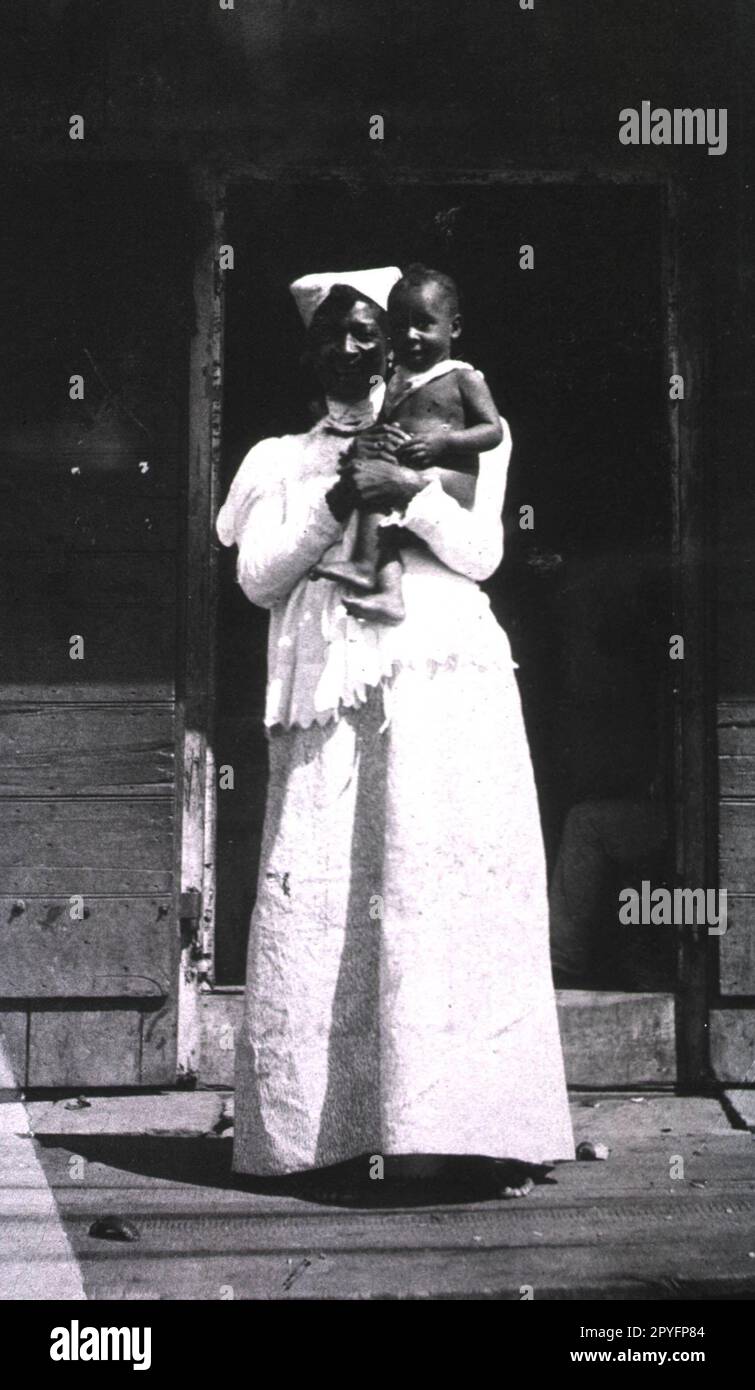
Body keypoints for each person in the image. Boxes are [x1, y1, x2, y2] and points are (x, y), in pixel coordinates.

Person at [216, 265, 574, 1198]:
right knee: (332, 904)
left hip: (439, 684)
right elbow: (258, 577)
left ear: (397, 341)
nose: (349, 347)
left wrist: (403, 486)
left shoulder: (452, 420)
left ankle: (471, 1132)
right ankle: (325, 1137)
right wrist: (341, 493)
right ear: (306, 350)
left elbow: (483, 553)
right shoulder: (278, 458)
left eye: (366, 332)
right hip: (328, 699)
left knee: (443, 894)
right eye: (330, 333)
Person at [312, 265, 503, 624]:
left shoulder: (463, 377)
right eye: (399, 326)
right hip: (407, 470)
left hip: (448, 478)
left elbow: (492, 431)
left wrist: (444, 441)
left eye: (425, 324)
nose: (411, 335)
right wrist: (373, 444)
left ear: (455, 328)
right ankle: (384, 587)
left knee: (383, 492)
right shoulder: (396, 381)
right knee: (377, 496)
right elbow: (385, 427)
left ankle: (367, 567)